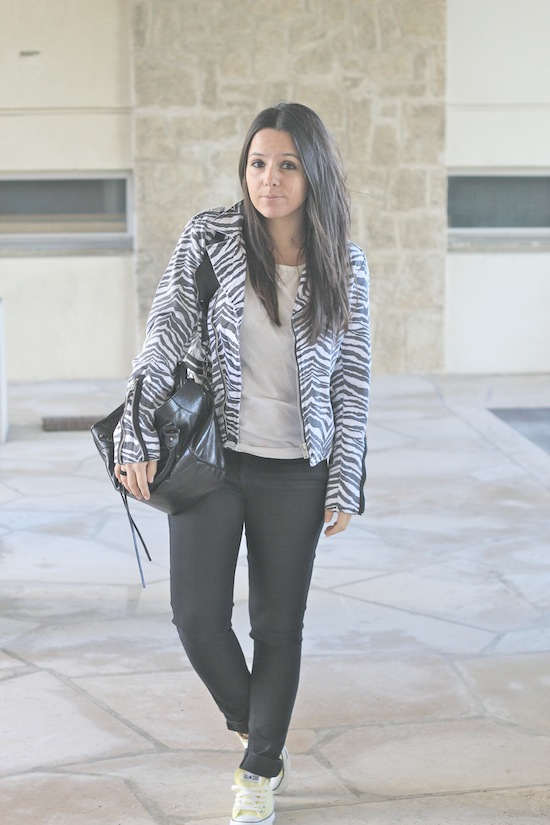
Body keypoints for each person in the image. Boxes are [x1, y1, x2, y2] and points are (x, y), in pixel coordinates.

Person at [114, 102, 370, 825]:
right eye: (258, 163)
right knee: (196, 616)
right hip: (214, 459)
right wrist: (135, 432)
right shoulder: (211, 237)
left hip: (298, 470)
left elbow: (351, 380)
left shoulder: (343, 261)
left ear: (314, 174)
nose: (269, 179)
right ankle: (256, 726)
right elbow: (164, 334)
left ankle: (259, 767)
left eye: (287, 165)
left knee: (277, 626)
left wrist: (345, 477)